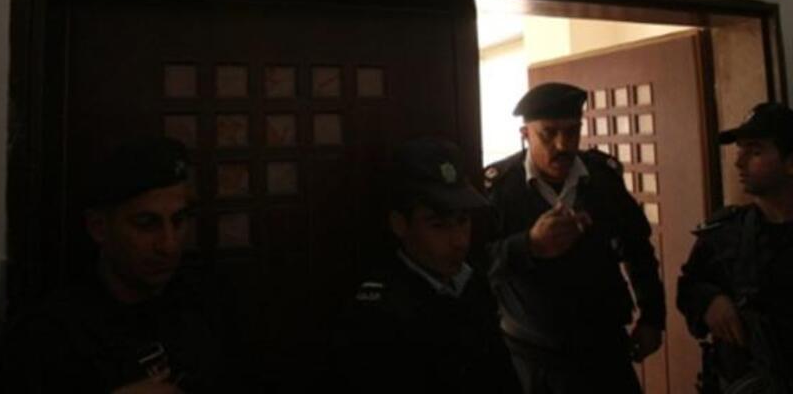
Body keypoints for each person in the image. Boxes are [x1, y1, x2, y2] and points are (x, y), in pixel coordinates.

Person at [0, 136, 250, 393]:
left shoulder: (211, 303)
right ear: (99, 227)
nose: (169, 245)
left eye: (178, 221)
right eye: (147, 224)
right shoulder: (51, 335)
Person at [485, 82, 666, 394]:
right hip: (531, 357)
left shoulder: (602, 178)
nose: (562, 144)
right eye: (548, 133)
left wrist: (652, 318)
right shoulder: (499, 188)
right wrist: (529, 245)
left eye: (572, 131)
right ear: (526, 134)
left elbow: (637, 249)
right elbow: (476, 263)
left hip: (604, 350)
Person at [332, 136, 520, 394]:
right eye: (438, 225)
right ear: (400, 224)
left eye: (463, 221)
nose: (459, 241)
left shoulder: (473, 283)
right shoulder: (381, 310)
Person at [677, 102, 793, 393]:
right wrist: (710, 301)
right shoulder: (727, 233)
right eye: (740, 150)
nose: (739, 162)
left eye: (755, 151)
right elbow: (689, 286)